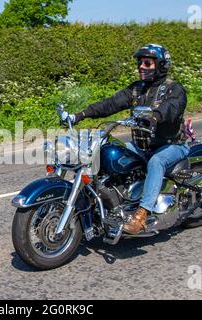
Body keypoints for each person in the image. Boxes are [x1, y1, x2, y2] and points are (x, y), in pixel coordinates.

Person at [61, 44, 189, 234]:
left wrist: (154, 117)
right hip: (141, 146)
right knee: (107, 149)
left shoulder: (173, 89)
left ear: (161, 65)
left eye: (147, 63)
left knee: (156, 162)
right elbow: (111, 104)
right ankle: (110, 199)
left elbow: (172, 108)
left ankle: (142, 214)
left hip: (171, 146)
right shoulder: (137, 89)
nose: (142, 67)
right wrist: (80, 115)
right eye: (140, 63)